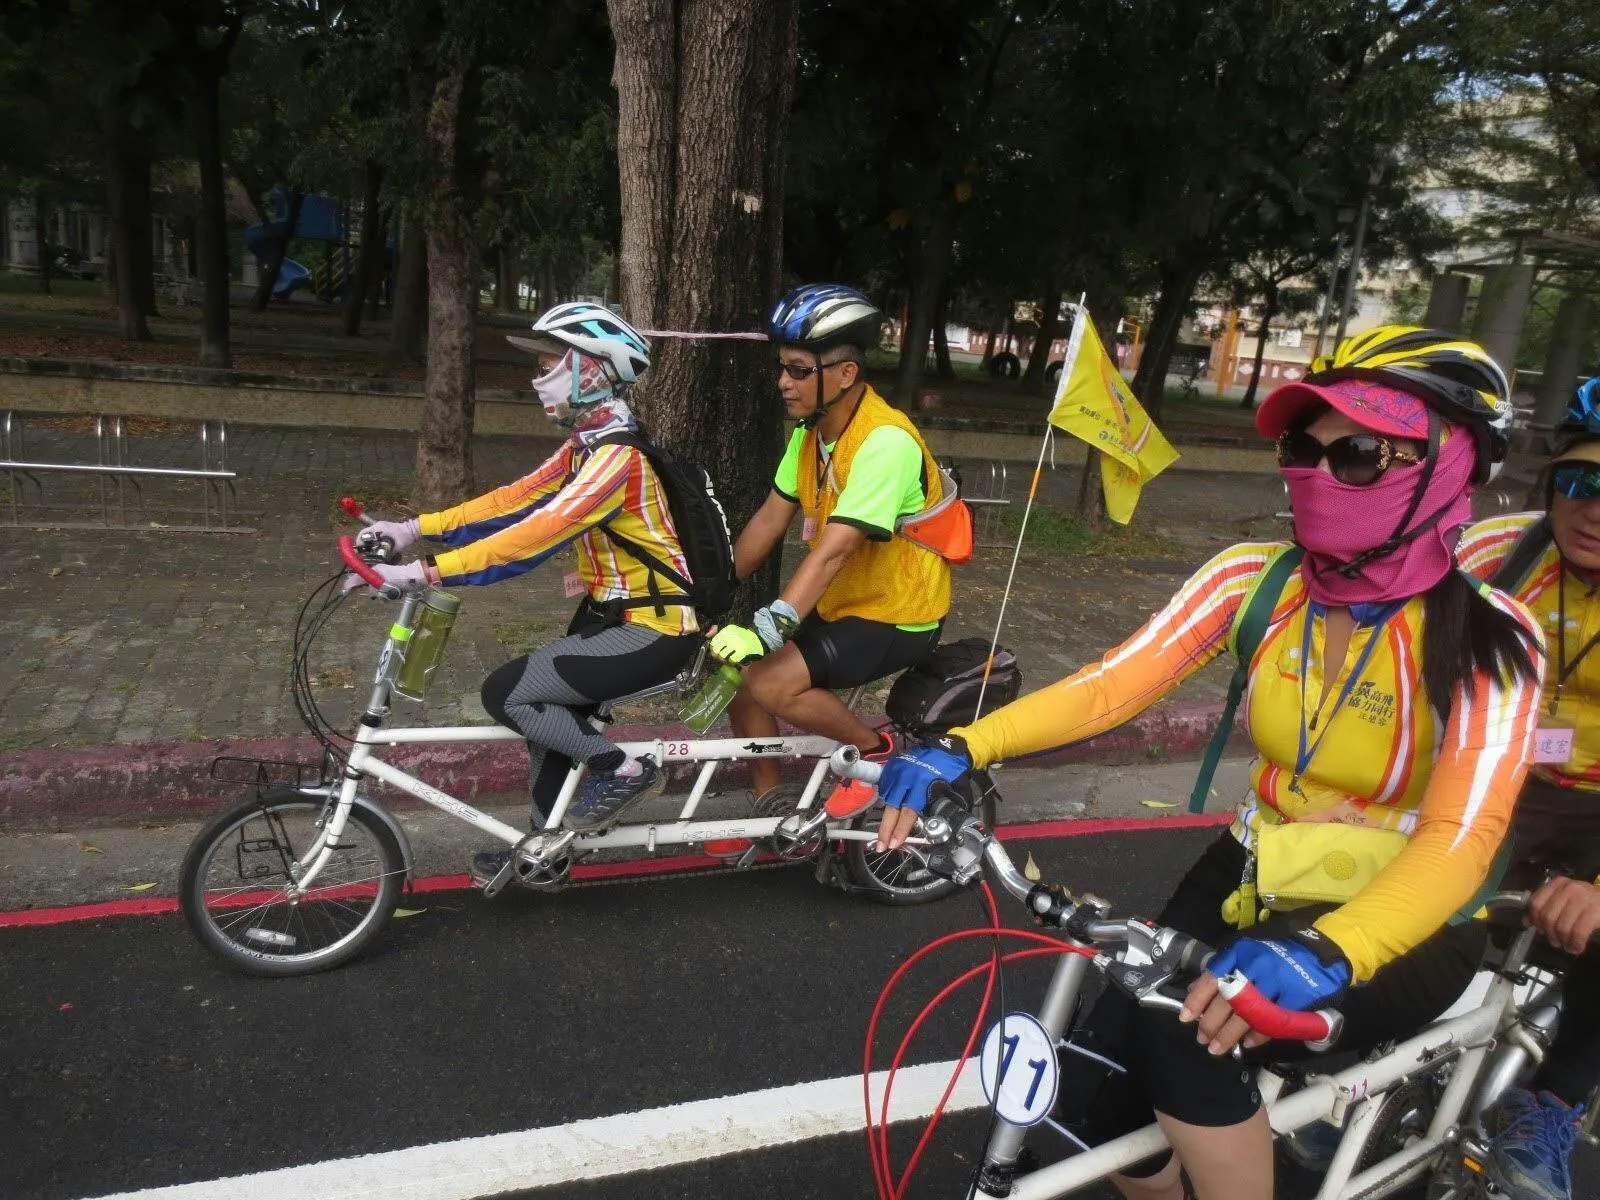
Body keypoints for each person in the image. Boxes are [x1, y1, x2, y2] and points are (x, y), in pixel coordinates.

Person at [874, 326, 1544, 1200]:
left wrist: (1332, 949)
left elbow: (1461, 838)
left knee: (1183, 1035)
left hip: (1401, 911)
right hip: (1256, 865)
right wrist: (962, 746)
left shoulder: (1494, 636)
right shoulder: (1254, 582)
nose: (1316, 473)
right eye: (1302, 448)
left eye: (1360, 454)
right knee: (1096, 1087)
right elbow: (1110, 686)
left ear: (1451, 466)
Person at [345, 302, 702, 885]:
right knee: (549, 725)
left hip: (657, 631)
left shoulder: (618, 459)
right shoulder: (587, 446)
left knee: (508, 693)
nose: (538, 379)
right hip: (611, 621)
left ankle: (624, 770)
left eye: (548, 364)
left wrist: (425, 573)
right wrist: (411, 529)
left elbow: (534, 536)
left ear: (592, 370)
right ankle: (545, 850)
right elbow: (511, 501)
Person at [707, 283, 951, 820]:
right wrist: (712, 590)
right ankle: (773, 809)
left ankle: (875, 752)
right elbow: (770, 518)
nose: (783, 382)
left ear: (845, 374)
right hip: (845, 603)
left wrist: (767, 628)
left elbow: (834, 551)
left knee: (770, 681)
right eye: (782, 368)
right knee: (741, 683)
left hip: (898, 613)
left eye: (798, 370)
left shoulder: (886, 442)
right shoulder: (810, 434)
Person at [1454, 376, 1600, 1200]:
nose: (1595, 510)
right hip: (1500, 776)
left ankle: (1550, 1106)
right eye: (1581, 482)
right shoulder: (1496, 554)